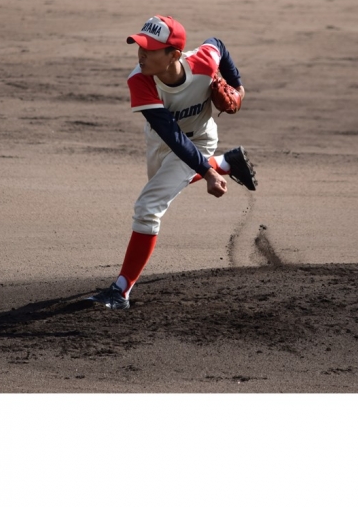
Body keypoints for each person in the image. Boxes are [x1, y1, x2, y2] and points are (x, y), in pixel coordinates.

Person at [89, 15, 257, 309]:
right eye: (140, 46)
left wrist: (238, 87)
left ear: (174, 55)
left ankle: (120, 291)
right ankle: (225, 163)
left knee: (148, 207)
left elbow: (218, 44)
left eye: (150, 49)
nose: (141, 54)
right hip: (162, 143)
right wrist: (208, 171)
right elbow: (171, 135)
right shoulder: (139, 80)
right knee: (164, 184)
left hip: (201, 141)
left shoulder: (203, 63)